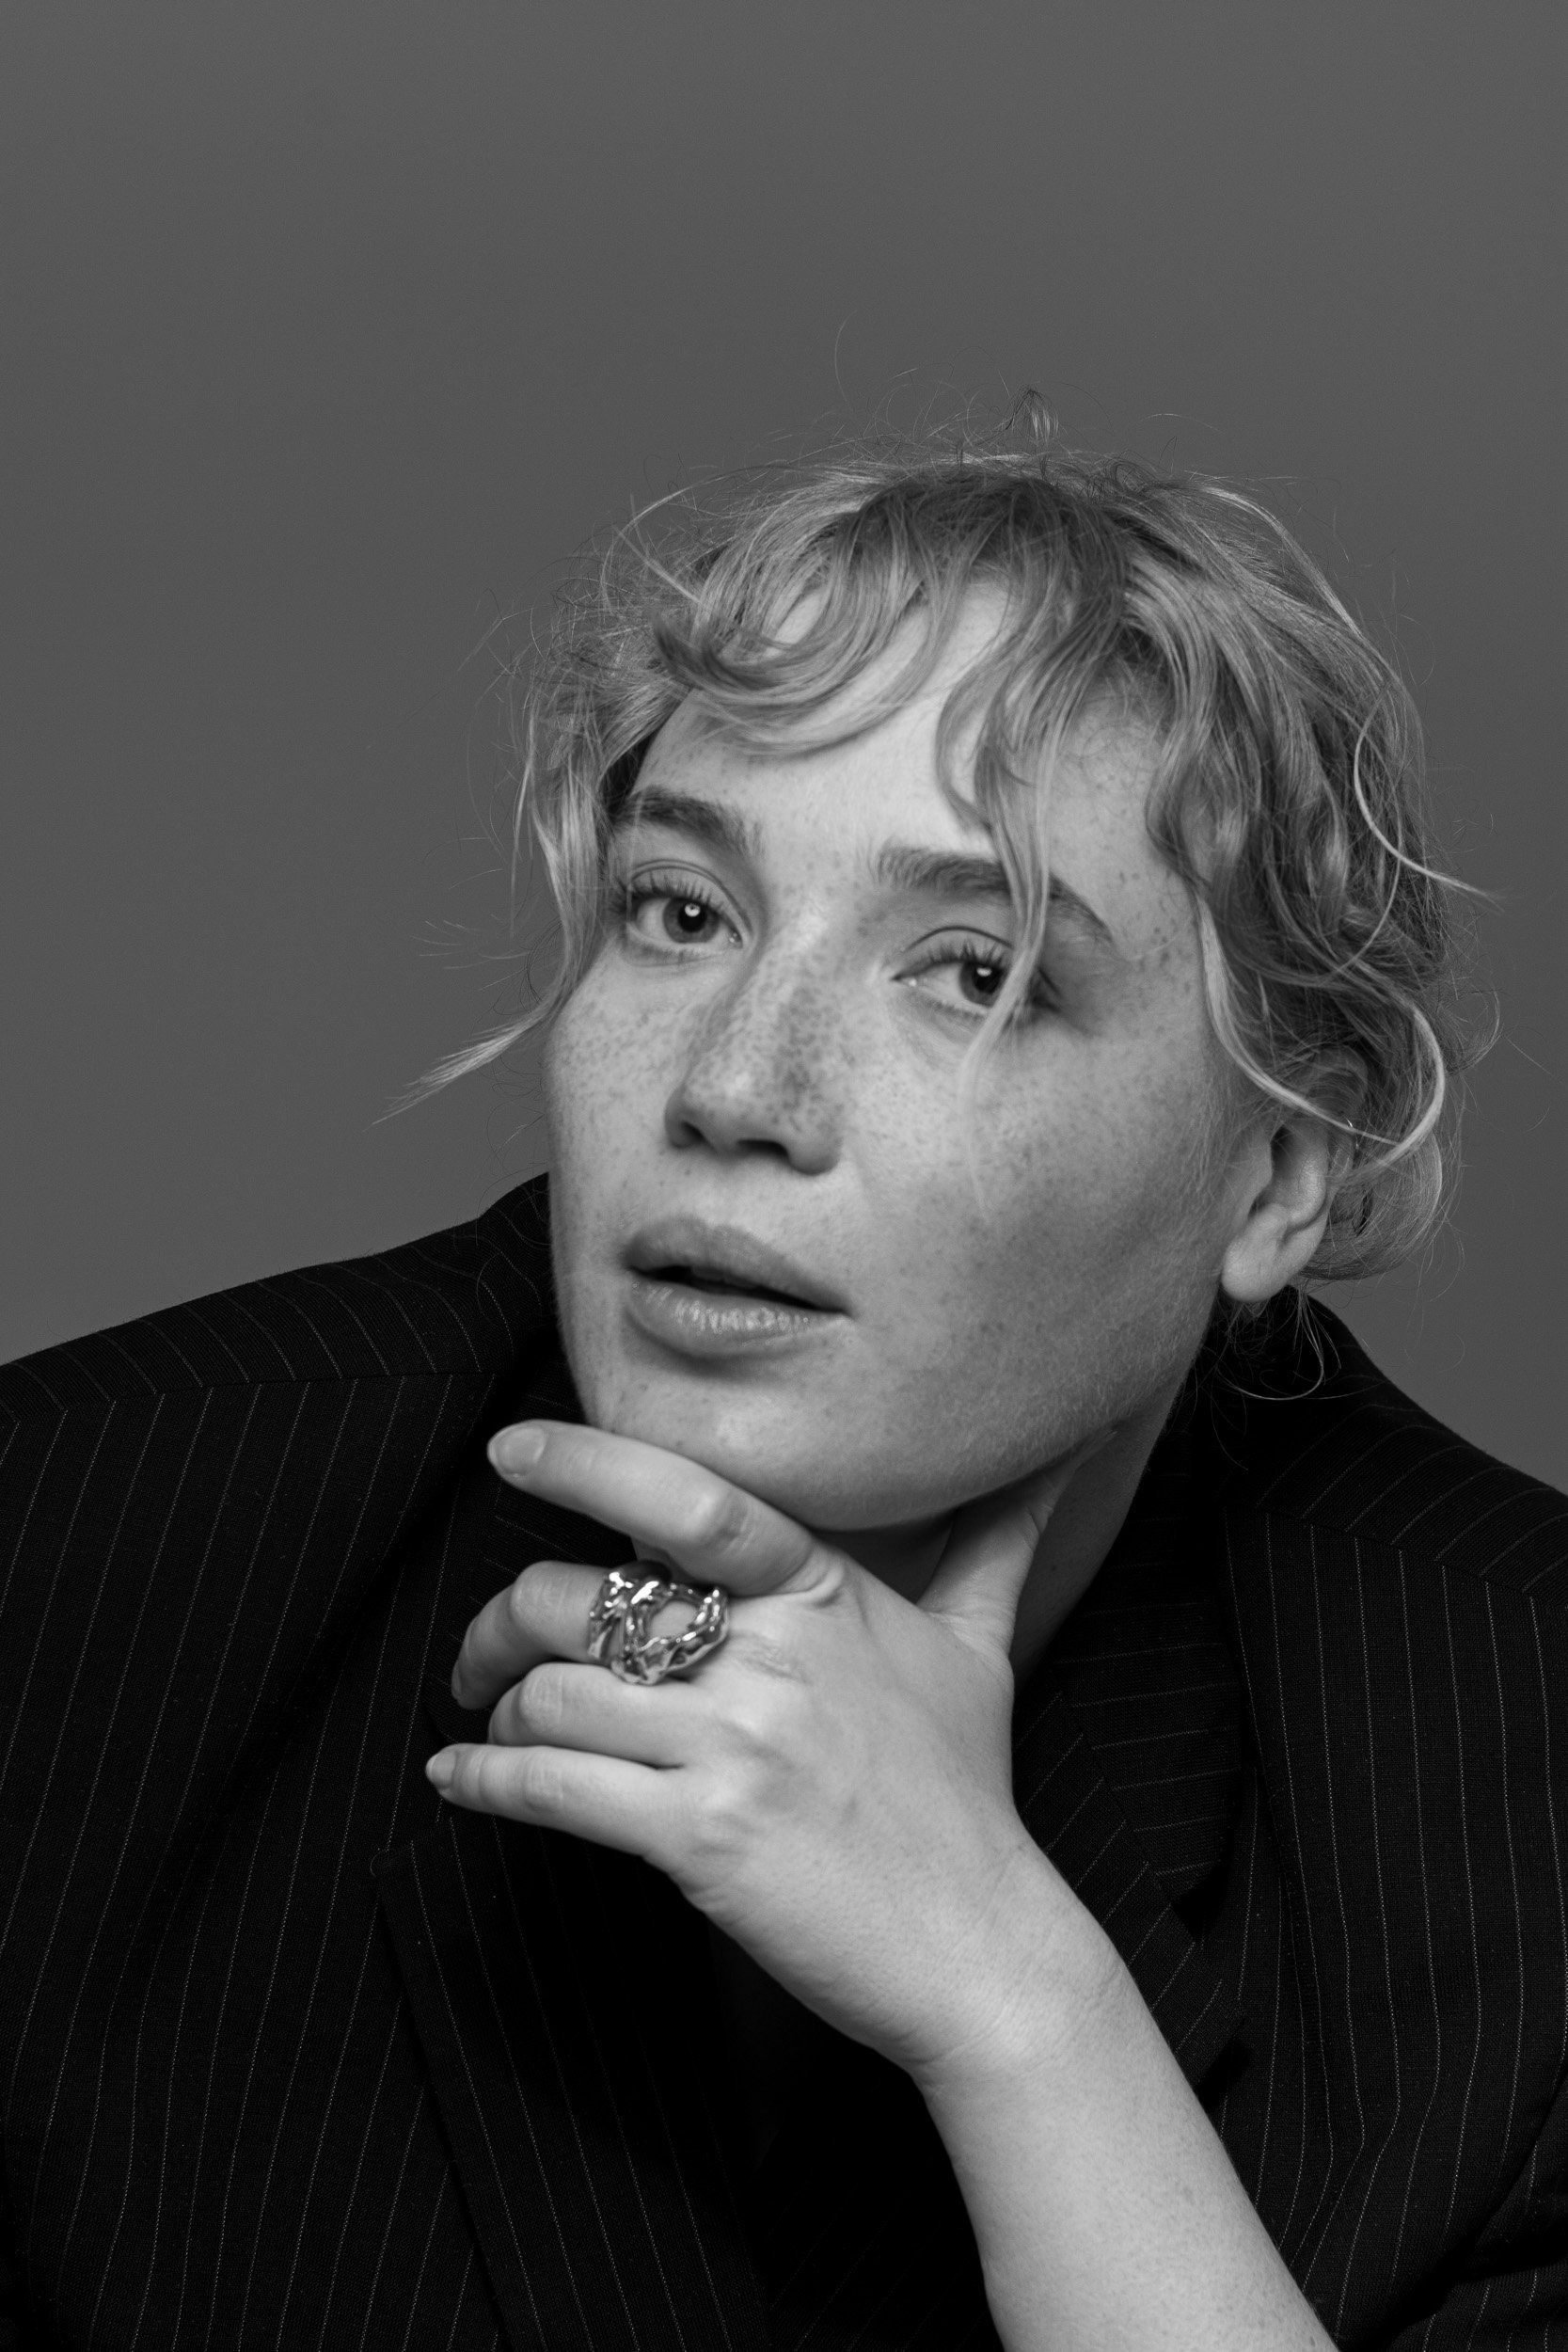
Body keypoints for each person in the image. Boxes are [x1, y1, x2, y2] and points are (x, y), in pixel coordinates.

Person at [1, 405, 1562, 2352]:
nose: (737, 1087)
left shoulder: (1515, 1796)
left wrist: (1019, 2004)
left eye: (977, 969)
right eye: (683, 911)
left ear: (1279, 1173)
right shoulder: (68, 1564)